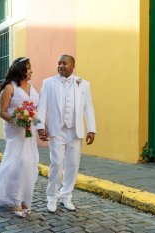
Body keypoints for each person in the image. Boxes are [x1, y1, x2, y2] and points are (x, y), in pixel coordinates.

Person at [37, 54, 96, 213]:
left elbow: (88, 108)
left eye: (64, 63)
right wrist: (40, 125)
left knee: (73, 164)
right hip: (57, 130)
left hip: (75, 131)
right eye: (59, 63)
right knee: (56, 163)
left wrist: (91, 129)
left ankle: (66, 196)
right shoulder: (48, 83)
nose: (61, 66)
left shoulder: (83, 84)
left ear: (73, 65)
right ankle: (52, 197)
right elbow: (41, 106)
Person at [0, 57, 39, 218]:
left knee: (30, 164)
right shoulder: (9, 88)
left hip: (29, 130)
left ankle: (25, 198)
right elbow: (3, 111)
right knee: (17, 164)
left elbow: (35, 108)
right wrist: (18, 121)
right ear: (20, 70)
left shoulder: (32, 87)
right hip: (15, 131)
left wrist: (36, 122)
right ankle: (16, 202)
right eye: (28, 68)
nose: (31, 71)